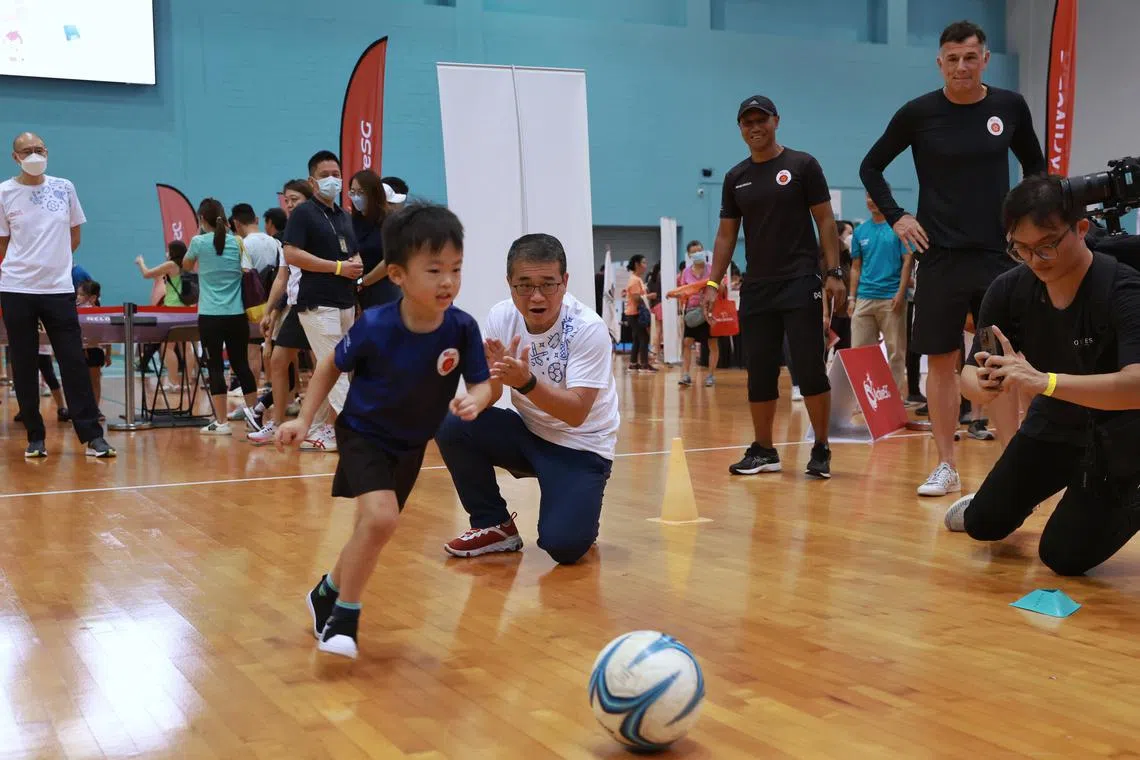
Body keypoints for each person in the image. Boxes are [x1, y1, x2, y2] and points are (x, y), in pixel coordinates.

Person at [277, 202, 493, 659]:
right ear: (397, 274)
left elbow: (482, 383)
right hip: (364, 434)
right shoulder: (375, 326)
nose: (448, 281)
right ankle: (345, 620)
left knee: (372, 530)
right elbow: (329, 367)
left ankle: (326, 594)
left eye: (455, 269)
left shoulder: (462, 328)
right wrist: (302, 417)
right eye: (434, 270)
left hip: (411, 444)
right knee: (380, 519)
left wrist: (478, 399)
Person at [859, 19, 1046, 497]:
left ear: (984, 59)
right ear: (939, 63)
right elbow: (871, 166)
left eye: (970, 57)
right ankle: (946, 466)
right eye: (952, 59)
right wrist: (899, 217)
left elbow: (1036, 167)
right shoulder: (918, 113)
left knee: (998, 362)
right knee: (941, 362)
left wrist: (1025, 226)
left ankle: (1011, 468)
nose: (961, 66)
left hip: (997, 255)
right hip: (938, 255)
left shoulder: (1010, 106)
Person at [943, 175, 1140, 576]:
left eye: (1047, 245)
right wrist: (981, 384)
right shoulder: (1008, 289)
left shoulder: (1123, 288)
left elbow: (1137, 386)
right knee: (983, 524)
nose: (1035, 260)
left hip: (1124, 435)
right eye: (1022, 249)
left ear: (1081, 229)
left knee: (1062, 557)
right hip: (1055, 427)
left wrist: (1044, 381)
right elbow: (970, 369)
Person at [436, 233, 619, 565]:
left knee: (563, 546)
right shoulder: (501, 317)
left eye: (548, 284)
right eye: (524, 285)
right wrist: (474, 398)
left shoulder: (587, 328)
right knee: (453, 424)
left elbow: (576, 413)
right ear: (510, 284)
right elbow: (491, 391)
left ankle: (578, 505)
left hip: (581, 448)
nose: (537, 296)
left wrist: (526, 382)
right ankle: (493, 524)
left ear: (565, 282)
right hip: (530, 434)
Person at [705, 95, 845, 479]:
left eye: (761, 119)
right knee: (761, 370)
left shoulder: (802, 165)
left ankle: (821, 447)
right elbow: (725, 235)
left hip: (801, 280)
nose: (755, 127)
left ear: (776, 121)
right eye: (747, 122)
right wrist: (714, 281)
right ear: (740, 128)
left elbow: (826, 221)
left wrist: (833, 272)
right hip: (757, 287)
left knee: (808, 367)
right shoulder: (735, 178)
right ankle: (765, 450)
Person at [0, 132, 115, 458]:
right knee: (23, 363)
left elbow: (74, 236)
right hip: (17, 288)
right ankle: (35, 436)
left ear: (47, 152)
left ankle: (92, 436)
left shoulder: (64, 187)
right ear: (15, 157)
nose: (34, 155)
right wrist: (26, 265)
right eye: (27, 151)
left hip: (58, 289)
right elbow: (3, 242)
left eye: (39, 150)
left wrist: (53, 263)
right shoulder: (4, 192)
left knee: (73, 361)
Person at [282, 151, 365, 452]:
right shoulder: (304, 213)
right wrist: (337, 267)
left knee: (329, 367)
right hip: (317, 303)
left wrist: (355, 266)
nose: (333, 179)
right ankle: (355, 432)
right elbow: (291, 253)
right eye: (325, 174)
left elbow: (353, 253)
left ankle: (313, 428)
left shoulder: (344, 216)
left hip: (345, 302)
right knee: (335, 365)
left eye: (336, 173)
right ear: (312, 180)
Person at [183, 198, 258, 434]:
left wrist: (199, 236)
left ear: (202, 220)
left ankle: (222, 422)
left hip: (209, 316)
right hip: (236, 315)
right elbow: (247, 269)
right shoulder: (237, 242)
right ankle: (255, 418)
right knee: (241, 364)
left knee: (215, 366)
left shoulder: (198, 242)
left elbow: (185, 265)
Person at [849, 191, 912, 395]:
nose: (871, 200)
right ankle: (866, 398)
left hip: (891, 298)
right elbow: (855, 267)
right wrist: (852, 298)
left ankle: (893, 397)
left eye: (874, 196)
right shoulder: (860, 232)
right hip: (865, 298)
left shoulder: (897, 229)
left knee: (896, 352)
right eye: (868, 196)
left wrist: (901, 293)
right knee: (860, 352)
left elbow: (907, 262)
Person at [350, 169, 399, 310]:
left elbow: (391, 259)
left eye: (361, 192)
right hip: (356, 293)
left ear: (374, 193)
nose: (356, 197)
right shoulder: (351, 221)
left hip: (384, 290)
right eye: (352, 192)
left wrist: (364, 281)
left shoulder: (391, 221)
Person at [676, 241, 720, 387]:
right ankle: (686, 374)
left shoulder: (712, 269)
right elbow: (683, 291)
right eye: (694, 252)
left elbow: (722, 286)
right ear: (689, 255)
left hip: (709, 311)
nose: (698, 254)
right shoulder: (686, 273)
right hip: (692, 312)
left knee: (712, 343)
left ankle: (711, 375)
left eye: (700, 250)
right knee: (687, 342)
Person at [76, 280, 111, 418]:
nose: (78, 297)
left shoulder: (99, 313)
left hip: (94, 351)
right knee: (80, 382)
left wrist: (108, 354)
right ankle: (82, 410)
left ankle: (95, 409)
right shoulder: (76, 311)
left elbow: (108, 335)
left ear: (93, 298)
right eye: (77, 294)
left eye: (81, 294)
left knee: (95, 381)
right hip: (79, 351)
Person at [624, 254, 655, 372]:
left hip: (634, 312)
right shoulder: (634, 280)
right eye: (643, 263)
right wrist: (649, 296)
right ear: (637, 264)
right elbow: (637, 298)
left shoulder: (637, 279)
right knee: (644, 338)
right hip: (634, 313)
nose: (645, 266)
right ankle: (644, 364)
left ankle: (633, 363)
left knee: (637, 338)